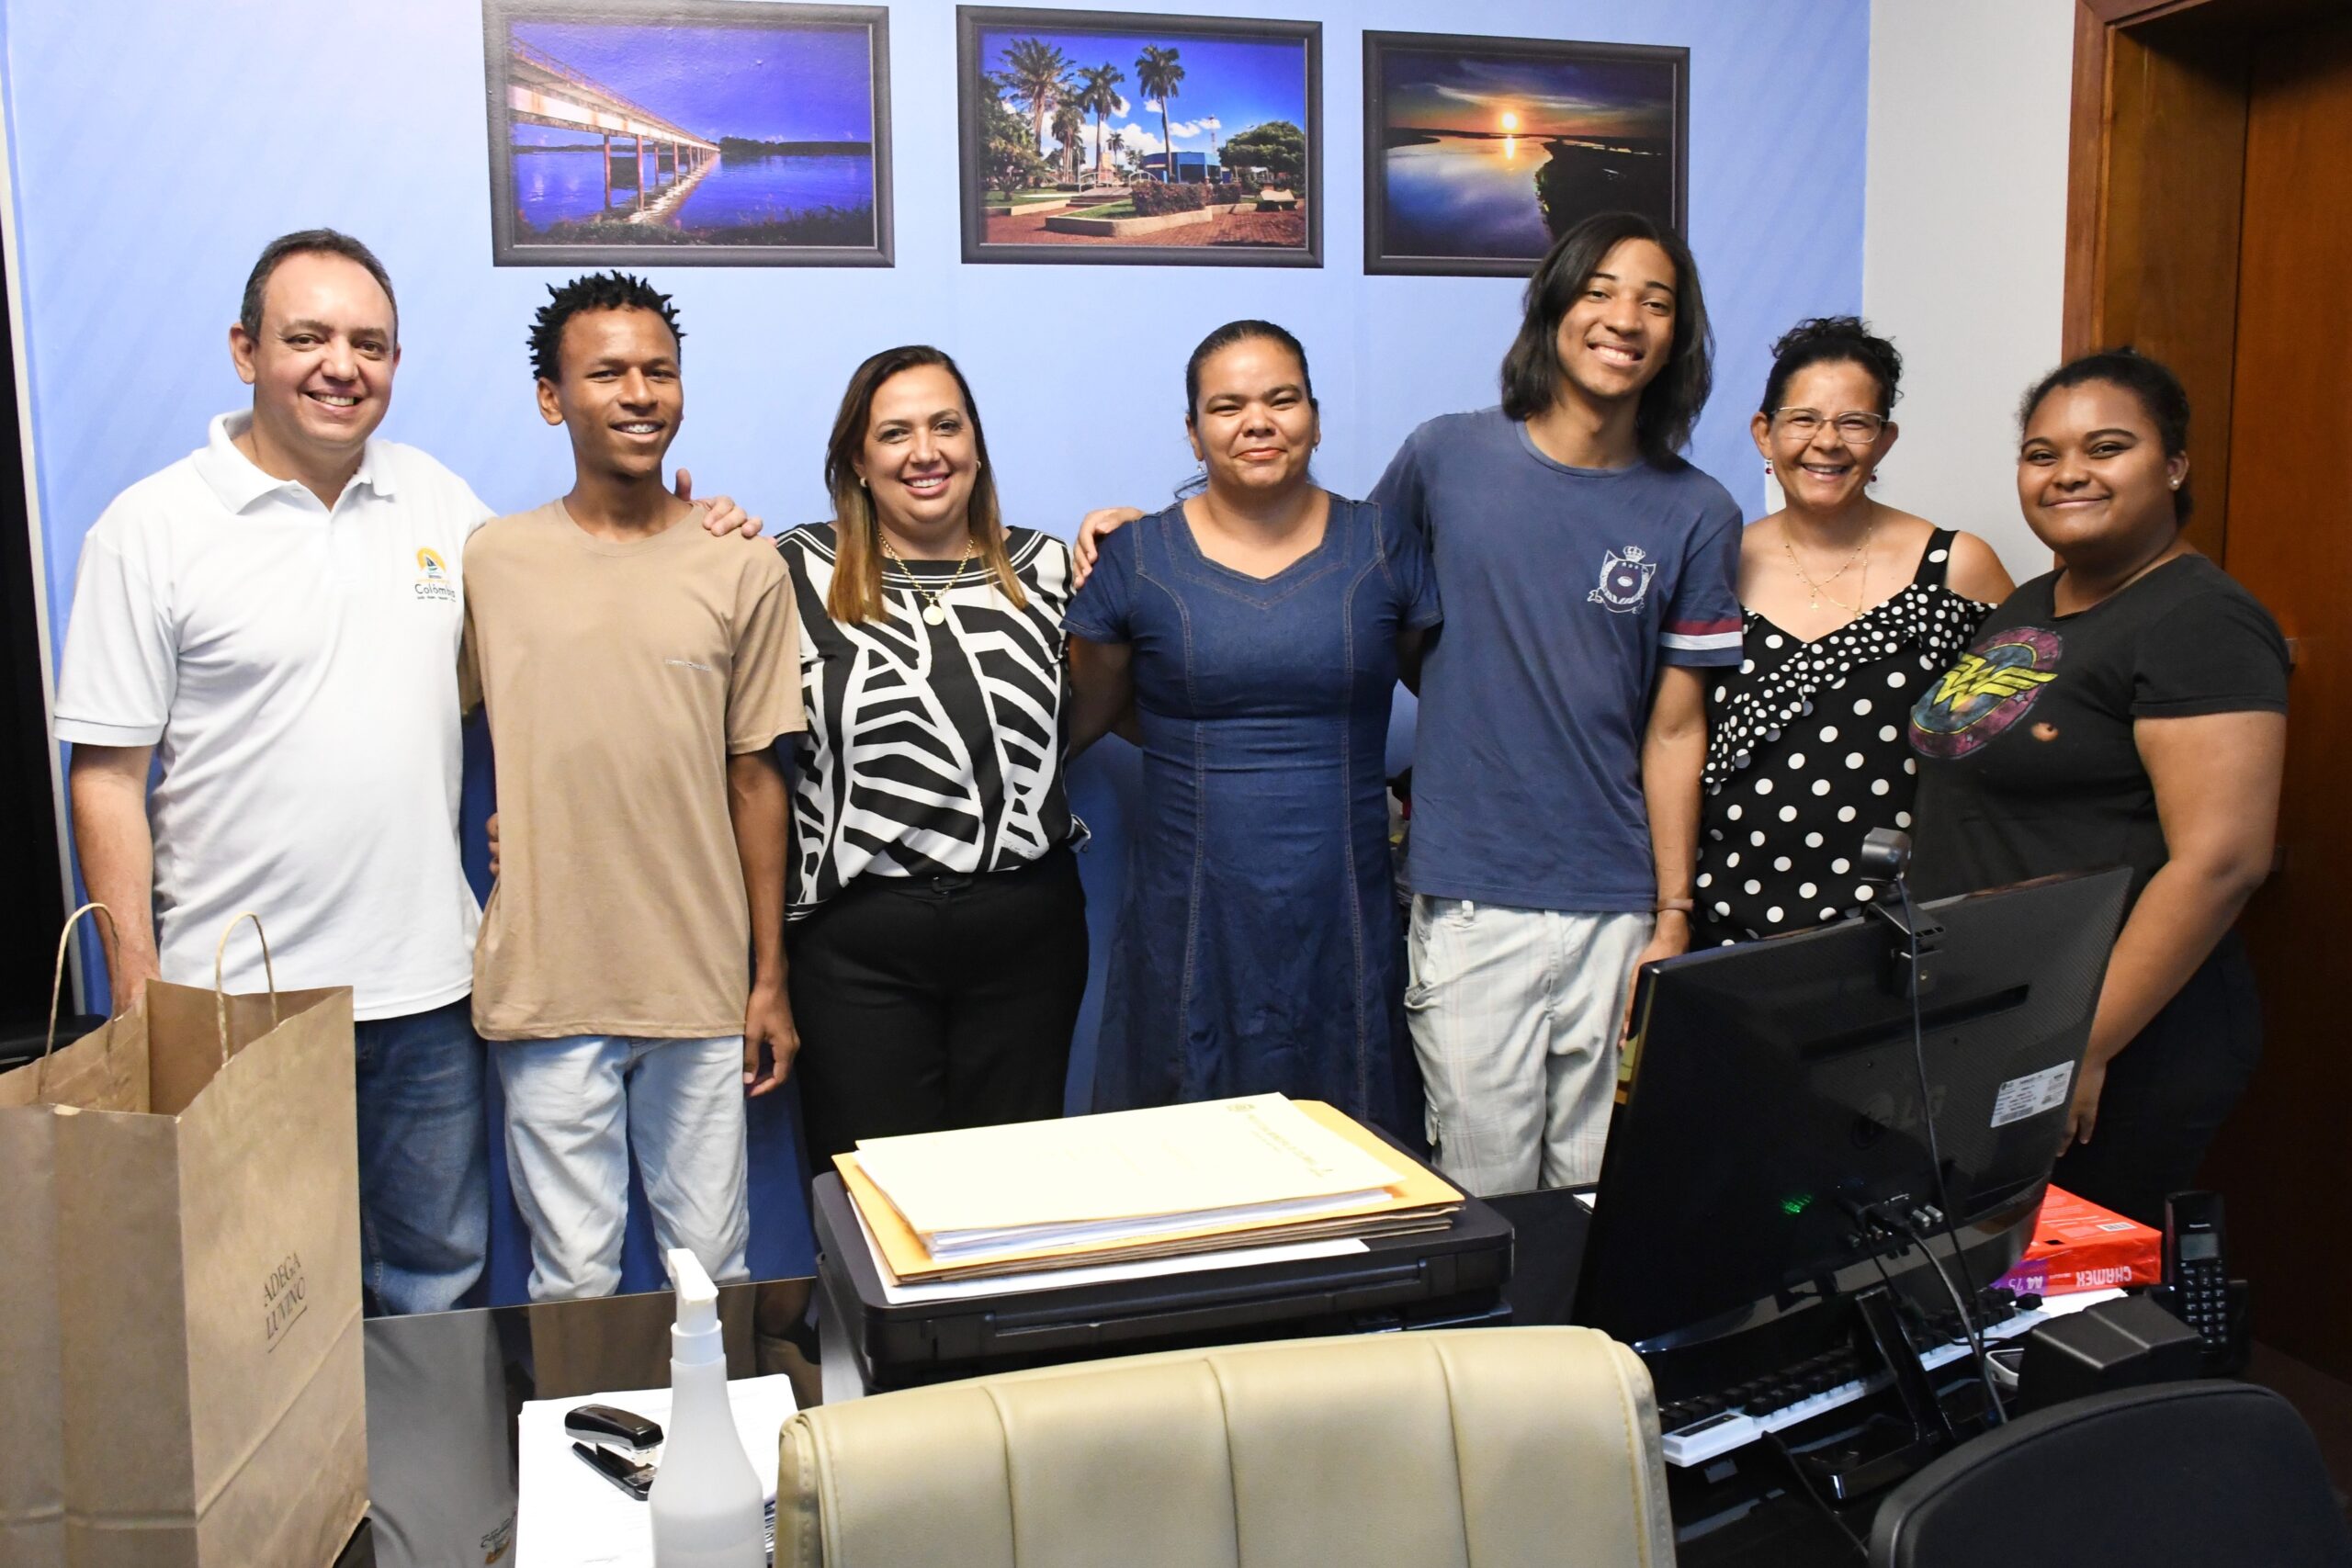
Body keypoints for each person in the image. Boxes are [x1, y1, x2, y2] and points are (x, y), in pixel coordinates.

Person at [50, 228, 752, 1315]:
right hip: (240, 998)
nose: (342, 365)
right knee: (249, 1301)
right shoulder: (149, 529)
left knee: (436, 1283)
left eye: (369, 343)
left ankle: (428, 1493)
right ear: (246, 350)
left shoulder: (443, 511)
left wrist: (692, 528)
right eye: (308, 337)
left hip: (427, 984)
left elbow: (578, 634)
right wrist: (137, 993)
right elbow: (105, 777)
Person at [460, 272, 799, 1302]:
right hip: (547, 977)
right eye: (606, 372)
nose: (639, 392)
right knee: (572, 1279)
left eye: (659, 370)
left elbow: (756, 778)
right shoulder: (492, 560)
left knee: (716, 1271)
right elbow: (431, 730)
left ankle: (732, 1468)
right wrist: (500, 817)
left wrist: (768, 976)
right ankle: (585, 1463)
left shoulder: (741, 561)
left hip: (695, 979)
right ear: (552, 398)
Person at [1907, 348, 2288, 1226]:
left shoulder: (2201, 618)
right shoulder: (2033, 603)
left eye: (2106, 447)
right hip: (1997, 1013)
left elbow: (2221, 862)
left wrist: (2073, 1046)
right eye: (2042, 454)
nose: (2068, 472)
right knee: (1979, 1297)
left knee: (2070, 1313)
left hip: (2117, 1031)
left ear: (2175, 464)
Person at [1062, 320, 1440, 1136]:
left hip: (1342, 908)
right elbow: (1080, 718)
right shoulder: (1136, 558)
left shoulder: (1382, 545)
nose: (1257, 421)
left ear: (1314, 415)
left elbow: (1455, 695)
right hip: (1192, 909)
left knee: (1354, 1152)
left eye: (1282, 398)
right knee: (1189, 1156)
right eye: (1227, 406)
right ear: (1194, 434)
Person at [776, 344, 1090, 1166]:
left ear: (976, 445)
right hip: (858, 944)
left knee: (1015, 1196)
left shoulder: (1055, 569)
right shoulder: (792, 571)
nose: (926, 452)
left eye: (946, 425)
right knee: (871, 1196)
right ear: (857, 457)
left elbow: (1096, 708)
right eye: (895, 432)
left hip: (1026, 933)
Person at [1695, 317, 2013, 944]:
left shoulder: (1957, 567)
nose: (1827, 442)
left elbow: (2009, 750)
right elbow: (1671, 736)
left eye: (1854, 422)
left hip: (1901, 923)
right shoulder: (1713, 564)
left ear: (1885, 440)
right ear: (1765, 432)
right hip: (1723, 915)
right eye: (1804, 419)